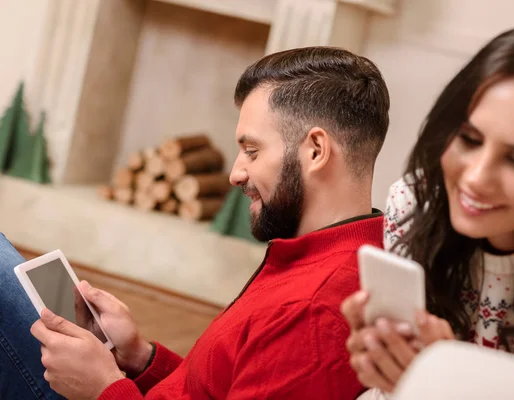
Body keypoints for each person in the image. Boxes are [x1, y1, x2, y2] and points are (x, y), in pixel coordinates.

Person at [0, 46, 390, 399]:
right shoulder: (335, 257)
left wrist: (104, 388)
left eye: (252, 151)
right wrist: (140, 358)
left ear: (316, 150)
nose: (236, 173)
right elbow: (211, 386)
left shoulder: (311, 312)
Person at [341, 22, 514, 399]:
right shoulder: (415, 205)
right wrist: (389, 372)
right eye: (469, 139)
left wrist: (447, 382)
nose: (477, 178)